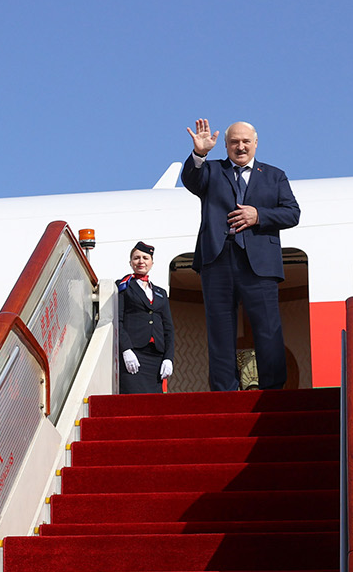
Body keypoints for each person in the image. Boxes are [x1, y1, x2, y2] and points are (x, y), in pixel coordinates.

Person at [182, 119, 300, 390]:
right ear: (225, 145)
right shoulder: (211, 170)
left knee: (267, 328)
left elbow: (292, 213)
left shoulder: (274, 175)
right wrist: (199, 153)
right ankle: (224, 391)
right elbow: (191, 179)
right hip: (217, 259)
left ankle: (272, 390)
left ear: (256, 143)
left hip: (260, 263)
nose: (241, 146)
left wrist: (259, 215)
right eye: (234, 141)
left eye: (246, 141)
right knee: (220, 330)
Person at [117, 241, 174, 394]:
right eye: (136, 258)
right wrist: (126, 349)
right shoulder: (124, 286)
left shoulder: (160, 292)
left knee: (154, 402)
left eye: (145, 258)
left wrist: (169, 358)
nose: (141, 261)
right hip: (134, 354)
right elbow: (118, 321)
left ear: (152, 263)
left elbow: (168, 328)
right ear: (130, 262)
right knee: (133, 399)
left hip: (156, 357)